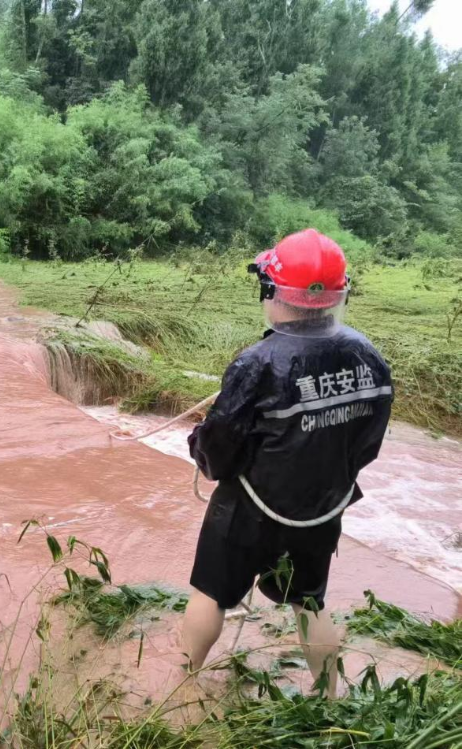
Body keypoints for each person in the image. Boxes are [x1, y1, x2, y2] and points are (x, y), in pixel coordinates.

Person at [180, 229, 393, 697]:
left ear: (271, 292)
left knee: (211, 593)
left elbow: (218, 450)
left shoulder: (256, 362)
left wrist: (198, 444)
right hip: (322, 507)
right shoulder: (368, 356)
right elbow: (367, 445)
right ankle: (327, 697)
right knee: (311, 604)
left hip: (248, 510)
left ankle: (182, 684)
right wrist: (327, 478)